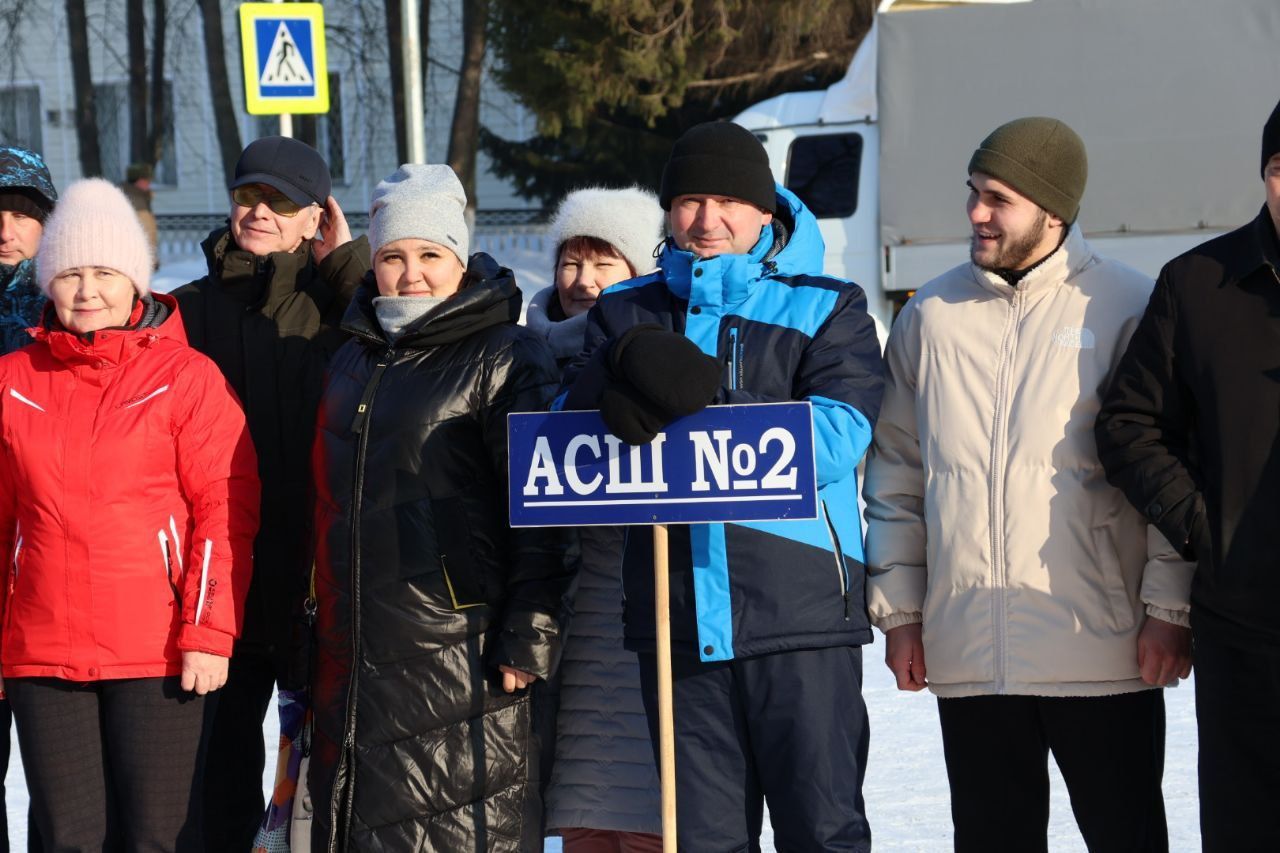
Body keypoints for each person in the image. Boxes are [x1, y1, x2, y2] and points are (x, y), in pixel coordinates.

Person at [863, 117, 1193, 853]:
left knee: (1128, 836)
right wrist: (903, 612)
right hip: (970, 648)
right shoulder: (930, 316)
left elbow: (1170, 469)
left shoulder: (1128, 307)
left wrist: (1170, 606)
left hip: (1104, 651)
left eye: (999, 198)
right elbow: (897, 474)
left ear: (1054, 210)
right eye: (974, 193)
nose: (978, 213)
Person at [558, 121, 883, 852]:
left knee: (823, 832)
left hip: (798, 618)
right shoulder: (625, 311)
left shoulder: (828, 304)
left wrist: (693, 411)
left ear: (765, 210)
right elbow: (568, 442)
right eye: (688, 201)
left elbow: (838, 436)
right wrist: (616, 381)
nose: (706, 221)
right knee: (702, 841)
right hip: (675, 627)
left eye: (728, 201)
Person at [309, 164, 575, 851]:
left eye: (430, 254)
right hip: (359, 653)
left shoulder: (506, 356)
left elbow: (542, 515)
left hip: (465, 655)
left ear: (460, 257)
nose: (412, 274)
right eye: (393, 256)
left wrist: (530, 633)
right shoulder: (352, 358)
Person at [0, 178, 259, 851]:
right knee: (68, 837)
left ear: (136, 281)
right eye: (71, 273)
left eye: (105, 272)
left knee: (160, 837)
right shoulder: (12, 383)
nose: (87, 290)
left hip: (159, 651)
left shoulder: (188, 378)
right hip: (42, 651)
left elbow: (223, 512)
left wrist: (208, 631)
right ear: (48, 281)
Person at [170, 135, 369, 852]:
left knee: (326, 786)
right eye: (248, 195)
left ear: (315, 217)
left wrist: (346, 266)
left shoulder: (345, 308)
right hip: (219, 582)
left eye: (280, 201)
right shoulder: (186, 312)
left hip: (320, 578)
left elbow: (414, 328)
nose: (258, 211)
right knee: (211, 775)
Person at [1095, 98, 1280, 851]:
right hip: (1248, 627)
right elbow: (1129, 425)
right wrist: (1213, 525)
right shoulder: (1201, 284)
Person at [527, 187, 665, 853]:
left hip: (640, 601)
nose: (582, 282)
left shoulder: (659, 354)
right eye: (570, 262)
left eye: (603, 263)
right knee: (578, 810)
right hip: (559, 613)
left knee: (647, 809)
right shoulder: (519, 355)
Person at [0, 143, 56, 853]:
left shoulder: (73, 297)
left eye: (21, 213)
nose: (6, 226)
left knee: (61, 778)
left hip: (48, 563)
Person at [119, 162, 159, 270]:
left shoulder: (141, 196)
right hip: (135, 262)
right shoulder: (132, 199)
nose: (148, 183)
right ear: (138, 181)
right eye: (146, 180)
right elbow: (145, 231)